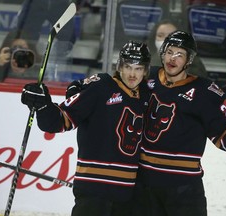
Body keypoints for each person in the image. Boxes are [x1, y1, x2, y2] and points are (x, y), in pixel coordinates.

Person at [131, 30, 226, 216]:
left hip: (183, 189)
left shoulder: (203, 92)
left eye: (179, 54)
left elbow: (225, 130)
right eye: (169, 52)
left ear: (189, 60)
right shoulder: (144, 78)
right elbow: (114, 92)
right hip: (143, 184)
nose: (172, 58)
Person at [21, 40, 151, 216]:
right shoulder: (101, 87)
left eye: (138, 68)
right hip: (94, 188)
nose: (132, 74)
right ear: (119, 66)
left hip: (127, 193)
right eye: (128, 67)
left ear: (145, 71)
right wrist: (44, 106)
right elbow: (59, 121)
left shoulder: (147, 95)